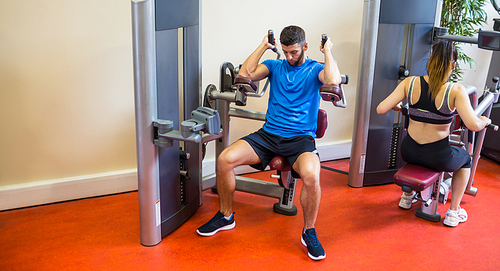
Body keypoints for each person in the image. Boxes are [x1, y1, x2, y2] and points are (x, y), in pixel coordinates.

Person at [196, 25, 341, 260]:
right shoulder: (275, 66)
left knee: (312, 176)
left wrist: (328, 51)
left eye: (294, 52)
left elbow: (333, 81)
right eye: (285, 52)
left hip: (300, 139)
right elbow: (244, 74)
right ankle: (225, 216)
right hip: (269, 135)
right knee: (225, 159)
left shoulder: (316, 69)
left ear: (305, 46)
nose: (289, 57)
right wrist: (264, 46)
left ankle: (309, 231)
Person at [376, 40, 491, 227]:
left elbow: (381, 109)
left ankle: (407, 197)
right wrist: (483, 121)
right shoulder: (455, 90)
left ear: (430, 61)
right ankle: (454, 212)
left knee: (416, 155)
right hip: (438, 156)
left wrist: (399, 107)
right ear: (452, 66)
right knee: (465, 159)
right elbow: (472, 125)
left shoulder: (410, 83)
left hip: (409, 151)